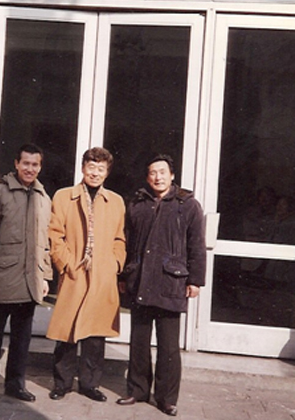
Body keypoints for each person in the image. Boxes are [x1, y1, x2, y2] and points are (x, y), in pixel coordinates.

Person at [117, 153, 206, 417]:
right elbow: (128, 242)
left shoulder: (188, 205)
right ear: (147, 177)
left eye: (162, 172)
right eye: (153, 173)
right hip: (140, 281)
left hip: (170, 283)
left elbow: (197, 246)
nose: (158, 177)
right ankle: (137, 390)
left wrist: (195, 280)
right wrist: (123, 276)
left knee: (168, 346)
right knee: (139, 340)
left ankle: (166, 398)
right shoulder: (137, 204)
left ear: (172, 175)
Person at [0, 143, 52, 406]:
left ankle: (15, 384)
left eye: (35, 164)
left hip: (30, 281)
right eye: (25, 163)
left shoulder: (44, 198)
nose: (30, 168)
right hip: (2, 277)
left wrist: (45, 276)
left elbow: (46, 242)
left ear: (40, 167)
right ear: (17, 164)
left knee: (22, 338)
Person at [46, 147, 126, 402]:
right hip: (75, 273)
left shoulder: (116, 201)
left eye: (101, 169)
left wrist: (115, 264)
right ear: (82, 168)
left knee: (95, 334)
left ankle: (90, 384)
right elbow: (55, 235)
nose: (95, 173)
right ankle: (62, 383)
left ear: (107, 173)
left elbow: (120, 238)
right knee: (66, 332)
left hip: (102, 275)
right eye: (91, 167)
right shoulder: (63, 196)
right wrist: (66, 264)